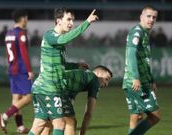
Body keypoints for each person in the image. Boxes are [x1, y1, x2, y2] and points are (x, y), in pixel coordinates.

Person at [28, 7, 98, 135]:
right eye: (69, 19)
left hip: (41, 88)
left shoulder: (57, 41)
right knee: (59, 123)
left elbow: (60, 65)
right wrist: (87, 22)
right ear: (58, 21)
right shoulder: (51, 35)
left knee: (39, 125)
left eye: (73, 20)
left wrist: (76, 65)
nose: (71, 23)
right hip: (49, 88)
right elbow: (66, 39)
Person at [41, 65, 113, 135]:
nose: (106, 84)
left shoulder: (81, 76)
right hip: (55, 90)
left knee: (48, 124)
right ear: (98, 72)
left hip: (43, 87)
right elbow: (88, 113)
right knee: (71, 122)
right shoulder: (95, 80)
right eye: (106, 79)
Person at [122, 5, 160, 135]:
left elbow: (144, 60)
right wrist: (136, 77)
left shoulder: (144, 33)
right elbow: (131, 54)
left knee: (136, 116)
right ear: (141, 17)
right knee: (155, 116)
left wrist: (152, 80)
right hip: (136, 82)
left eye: (154, 17)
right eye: (148, 16)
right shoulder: (137, 32)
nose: (151, 19)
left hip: (138, 81)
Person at [0, 9, 34, 134]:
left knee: (16, 99)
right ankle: (5, 116)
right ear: (22, 18)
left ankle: (20, 126)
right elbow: (24, 53)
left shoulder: (8, 33)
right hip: (21, 69)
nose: (27, 20)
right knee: (29, 97)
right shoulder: (21, 34)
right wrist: (29, 70)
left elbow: (9, 53)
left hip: (12, 68)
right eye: (26, 17)